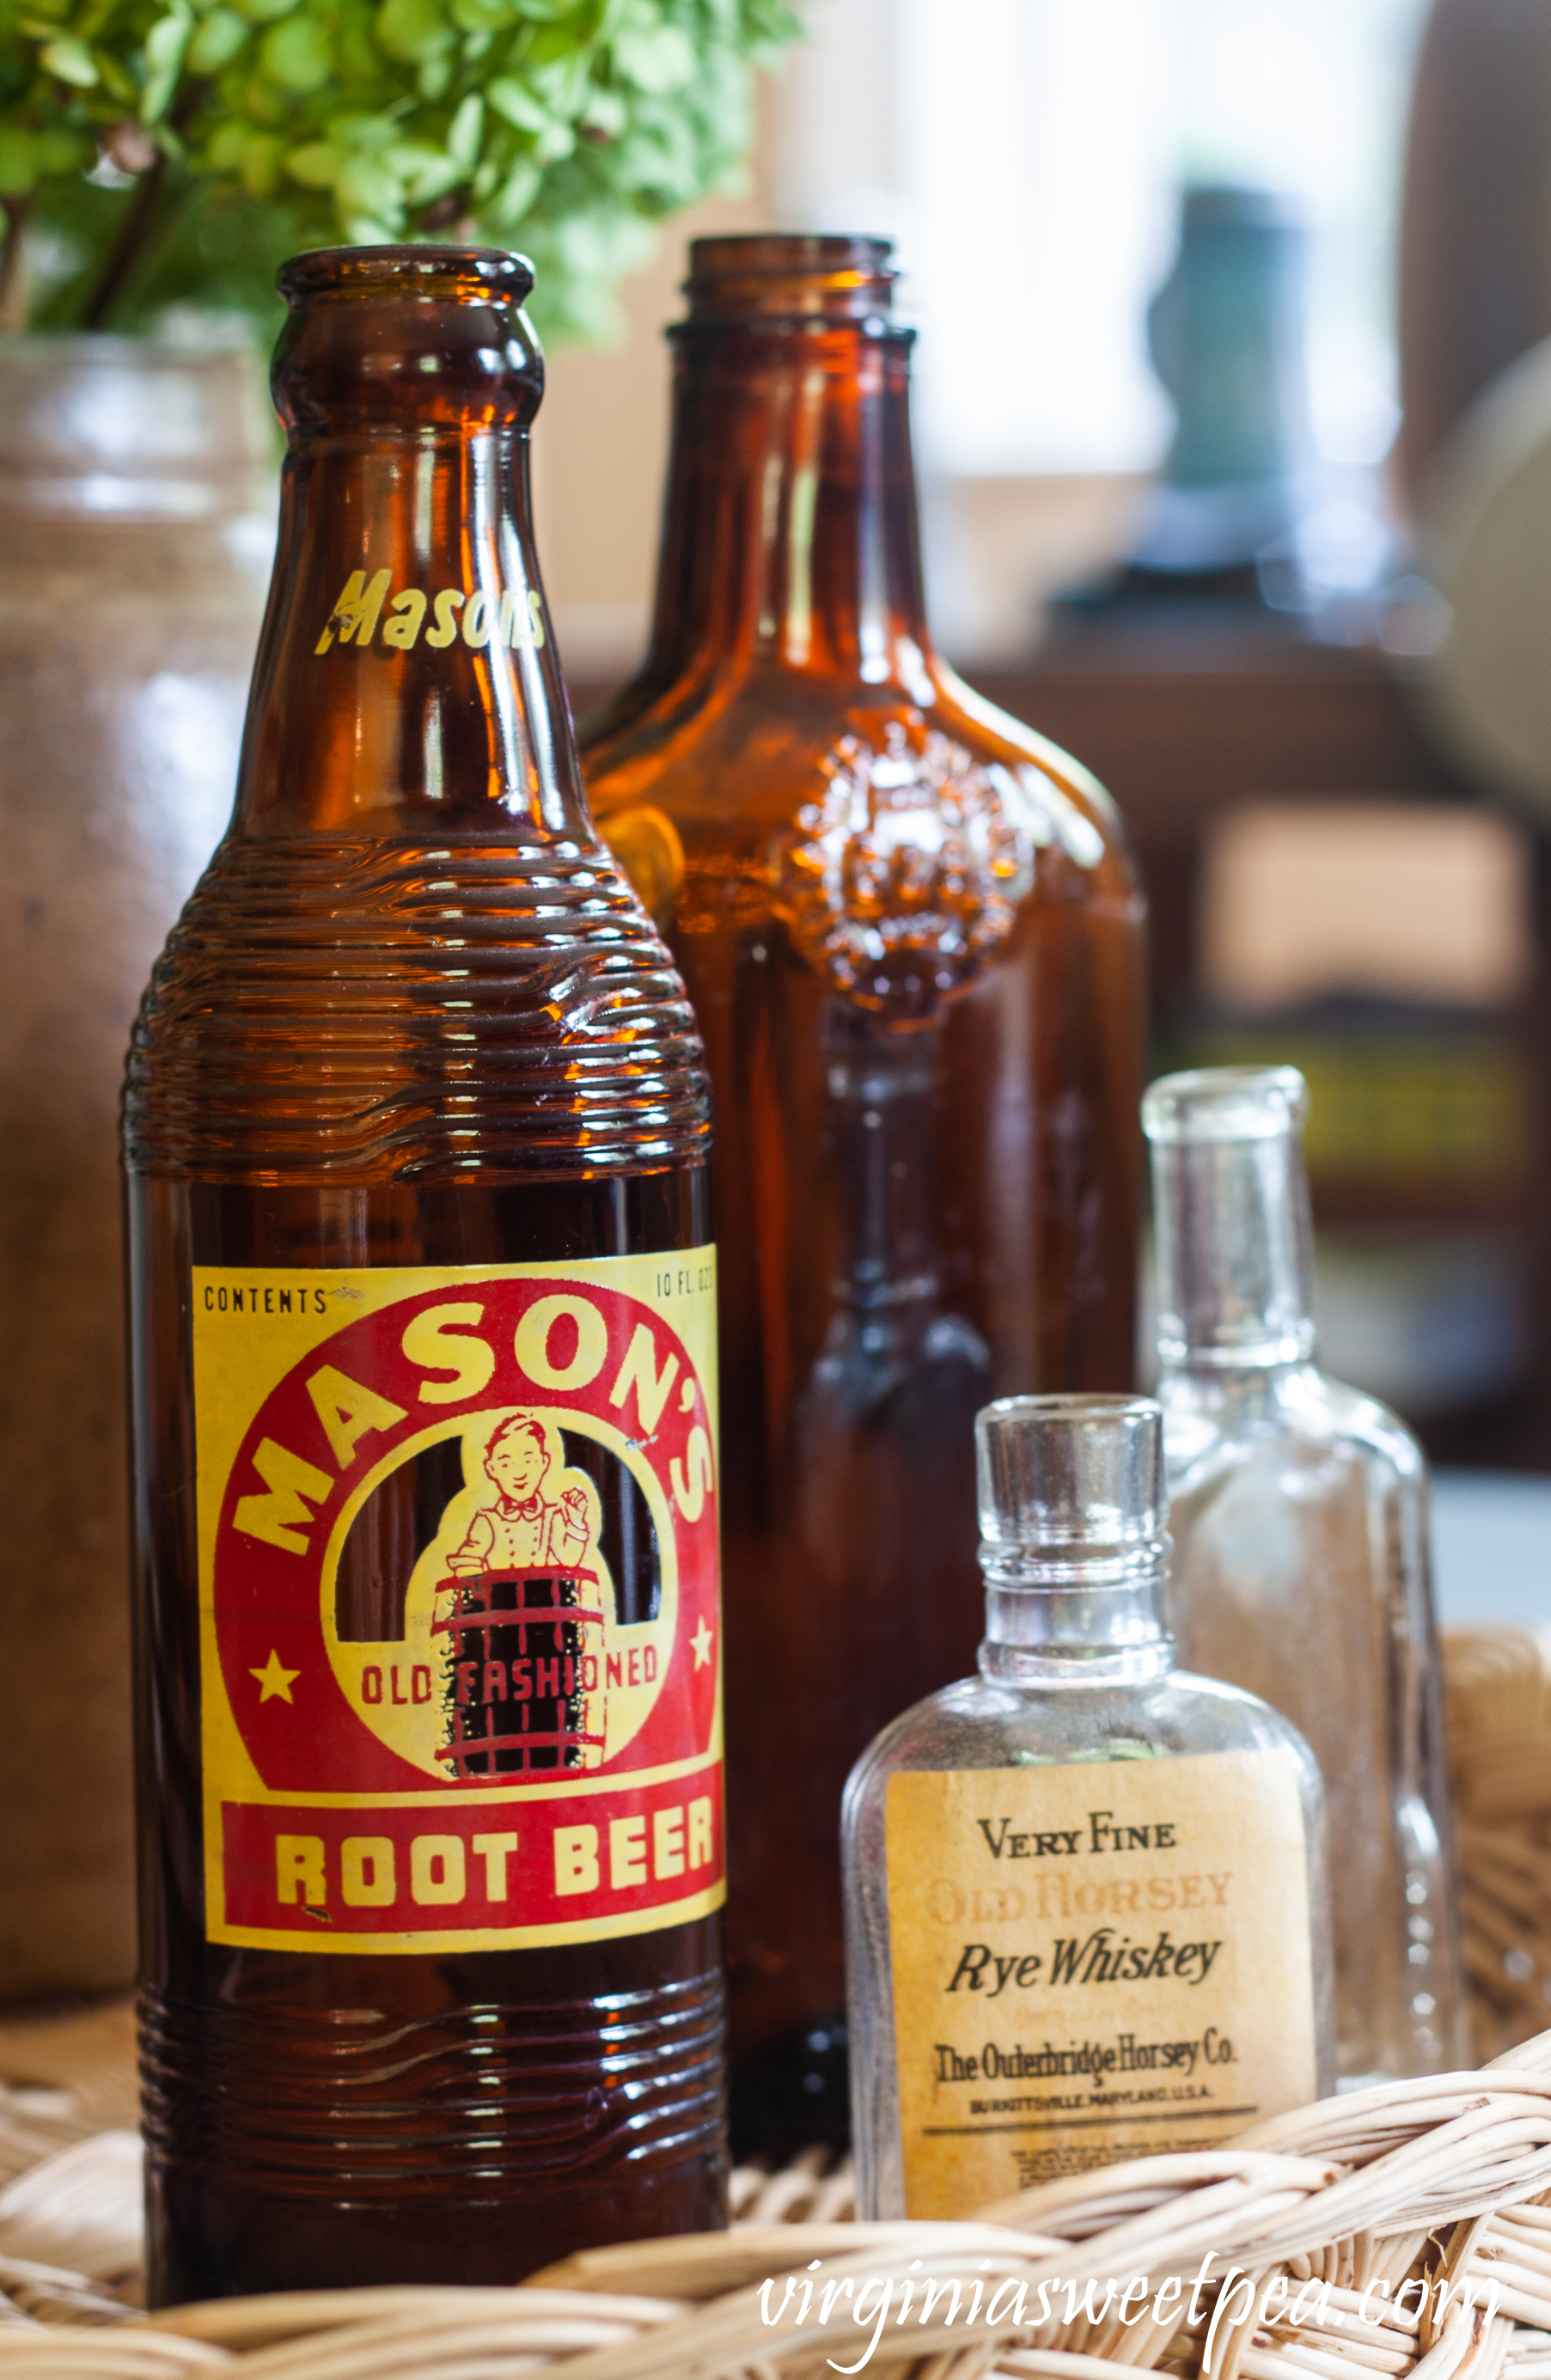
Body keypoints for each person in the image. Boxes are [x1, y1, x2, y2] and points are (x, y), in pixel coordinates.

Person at [447, 1414, 593, 1578]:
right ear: (491, 1468)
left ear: (544, 1462)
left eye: (529, 1460)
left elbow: (569, 1561)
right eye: (506, 1464)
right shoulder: (487, 1520)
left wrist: (576, 1520)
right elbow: (469, 1559)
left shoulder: (553, 1516)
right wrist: (470, 1570)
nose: (519, 1473)